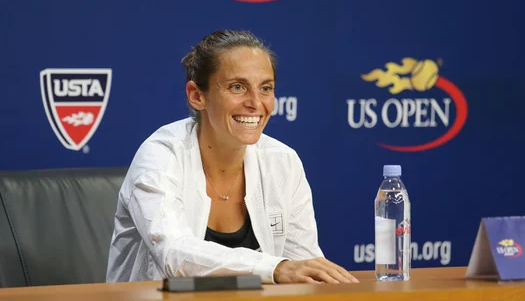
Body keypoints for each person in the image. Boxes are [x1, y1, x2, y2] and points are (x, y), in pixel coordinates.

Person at [106, 30, 358, 284]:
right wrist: (276, 268)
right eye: (237, 87)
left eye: (266, 88)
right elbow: (175, 255)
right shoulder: (160, 158)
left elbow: (305, 267)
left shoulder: (283, 162)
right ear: (197, 95)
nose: (256, 103)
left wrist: (301, 273)